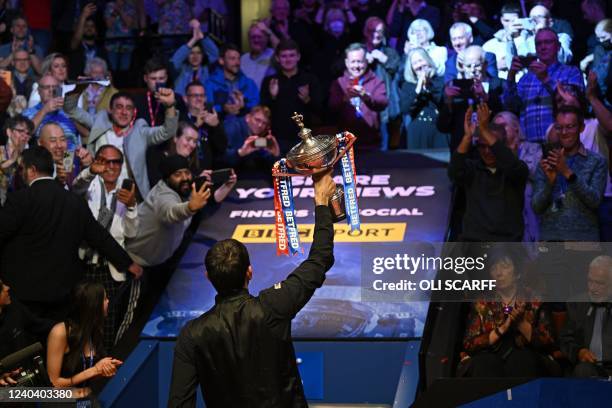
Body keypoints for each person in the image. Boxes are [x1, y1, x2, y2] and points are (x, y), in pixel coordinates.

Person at [167, 169, 336, 407]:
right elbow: (319, 260)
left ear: (208, 276)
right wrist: (321, 203)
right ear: (250, 271)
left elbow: (179, 403)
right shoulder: (273, 307)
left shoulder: (192, 335)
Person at [0, 146, 142, 323]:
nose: (20, 173)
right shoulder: (74, 201)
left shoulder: (20, 199)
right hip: (63, 290)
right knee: (59, 341)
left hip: (24, 292)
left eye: (21, 168)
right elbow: (98, 235)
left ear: (32, 170)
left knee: (27, 347)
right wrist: (127, 263)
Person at [72, 145, 140, 352]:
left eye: (116, 162)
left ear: (122, 165)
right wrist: (90, 171)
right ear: (97, 162)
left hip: (111, 270)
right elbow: (75, 187)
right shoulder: (89, 184)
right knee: (81, 324)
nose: (110, 166)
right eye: (105, 161)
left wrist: (131, 206)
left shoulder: (127, 190)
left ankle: (105, 375)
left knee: (108, 327)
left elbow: (131, 233)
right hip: (84, 266)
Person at [65, 89, 178, 199]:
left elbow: (167, 131)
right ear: (110, 109)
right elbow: (71, 109)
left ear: (134, 112)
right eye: (119, 107)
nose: (124, 112)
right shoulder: (99, 123)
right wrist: (79, 87)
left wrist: (170, 106)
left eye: (128, 108)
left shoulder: (140, 132)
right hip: (96, 192)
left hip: (127, 195)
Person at [460, 251, 555, 377]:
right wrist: (501, 329)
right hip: (489, 358)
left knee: (522, 359)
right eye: (494, 268)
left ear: (517, 272)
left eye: (505, 267)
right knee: (485, 363)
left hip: (527, 358)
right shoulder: (482, 302)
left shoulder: (534, 299)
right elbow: (469, 344)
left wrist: (521, 323)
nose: (499, 273)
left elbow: (548, 342)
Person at [449, 103, 528, 242]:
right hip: (473, 245)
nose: (486, 151)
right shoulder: (472, 169)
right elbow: (454, 172)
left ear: (502, 146)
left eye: (491, 146)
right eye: (481, 146)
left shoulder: (516, 169)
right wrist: (467, 137)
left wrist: (484, 129)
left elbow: (513, 166)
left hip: (506, 246)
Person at [126, 155, 217, 267]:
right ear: (167, 178)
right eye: (177, 174)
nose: (185, 178)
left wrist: (225, 187)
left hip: (159, 260)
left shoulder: (183, 190)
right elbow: (171, 213)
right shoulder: (163, 195)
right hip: (135, 262)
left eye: (187, 172)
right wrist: (189, 208)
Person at [532, 105, 607, 241]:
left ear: (581, 128)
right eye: (559, 127)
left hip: (584, 243)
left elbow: (595, 201)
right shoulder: (546, 163)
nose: (564, 132)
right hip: (550, 242)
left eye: (570, 126)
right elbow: (537, 207)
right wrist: (550, 183)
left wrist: (567, 172)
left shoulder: (597, 161)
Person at [503, 28, 583, 143]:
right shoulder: (526, 79)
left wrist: (546, 79)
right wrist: (511, 76)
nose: (543, 47)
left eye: (548, 42)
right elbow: (510, 107)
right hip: (530, 149)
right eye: (539, 43)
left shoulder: (571, 72)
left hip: (561, 143)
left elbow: (573, 104)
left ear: (558, 46)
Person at [46, 281, 123, 401]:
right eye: (104, 299)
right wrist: (94, 370)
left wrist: (102, 369)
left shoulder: (93, 330)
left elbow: (88, 372)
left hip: (85, 399)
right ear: (94, 305)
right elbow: (53, 384)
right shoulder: (60, 332)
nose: (108, 301)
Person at [260, 39, 323, 155]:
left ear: (298, 57)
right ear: (278, 58)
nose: (288, 59)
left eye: (291, 55)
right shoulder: (269, 81)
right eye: (284, 56)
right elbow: (262, 112)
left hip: (303, 140)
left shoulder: (310, 79)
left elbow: (321, 111)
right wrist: (273, 97)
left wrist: (307, 100)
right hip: (276, 139)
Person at [438, 45, 505, 153]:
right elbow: (442, 127)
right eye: (468, 66)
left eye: (477, 65)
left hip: (491, 150)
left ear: (485, 65)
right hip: (463, 152)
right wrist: (448, 103)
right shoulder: (453, 89)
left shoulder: (498, 85)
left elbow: (504, 117)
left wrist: (486, 97)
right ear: (462, 67)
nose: (473, 70)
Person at [492, 111, 542, 243]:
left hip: (529, 209)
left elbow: (535, 173)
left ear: (516, 127)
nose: (500, 130)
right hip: (504, 212)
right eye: (496, 127)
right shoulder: (492, 154)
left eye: (503, 125)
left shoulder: (533, 148)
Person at [560, 255, 612, 378]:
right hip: (590, 368)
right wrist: (579, 352)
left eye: (599, 283)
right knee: (583, 370)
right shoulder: (576, 304)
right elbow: (565, 339)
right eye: (590, 281)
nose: (592, 288)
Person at [329, 43, 388, 149]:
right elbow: (331, 107)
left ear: (366, 62)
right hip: (345, 142)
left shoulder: (376, 82)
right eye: (353, 62)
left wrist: (366, 97)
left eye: (359, 61)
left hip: (371, 140)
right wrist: (344, 99)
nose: (356, 66)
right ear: (346, 63)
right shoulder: (339, 83)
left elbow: (383, 103)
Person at [363, 17, 401, 151]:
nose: (376, 34)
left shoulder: (389, 52)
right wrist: (364, 62)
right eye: (372, 31)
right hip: (362, 105)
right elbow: (341, 67)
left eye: (380, 31)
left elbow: (399, 70)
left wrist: (384, 59)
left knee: (384, 146)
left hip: (383, 104)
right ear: (366, 32)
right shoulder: (359, 51)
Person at [175, 81, 227, 171]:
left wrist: (216, 126)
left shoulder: (212, 118)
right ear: (185, 98)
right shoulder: (179, 119)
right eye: (195, 96)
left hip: (209, 171)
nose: (199, 99)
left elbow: (222, 148)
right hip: (186, 171)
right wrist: (196, 125)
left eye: (202, 96)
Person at [400, 47, 446, 149]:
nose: (419, 65)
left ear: (428, 61)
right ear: (411, 68)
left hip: (438, 128)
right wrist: (418, 88)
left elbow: (443, 102)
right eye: (415, 63)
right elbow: (405, 109)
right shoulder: (408, 86)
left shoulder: (439, 81)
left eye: (421, 60)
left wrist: (429, 84)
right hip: (418, 130)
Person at [23, 74, 79, 151]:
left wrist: (70, 113)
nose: (51, 90)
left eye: (55, 87)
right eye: (46, 87)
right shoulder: (28, 113)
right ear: (39, 91)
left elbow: (86, 134)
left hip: (69, 156)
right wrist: (44, 110)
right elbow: (24, 134)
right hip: (45, 158)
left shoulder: (68, 110)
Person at [204, 44, 259, 121]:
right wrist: (223, 108)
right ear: (221, 61)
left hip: (244, 128)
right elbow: (207, 107)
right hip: (219, 128)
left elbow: (257, 107)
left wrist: (244, 106)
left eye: (238, 59)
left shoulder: (249, 83)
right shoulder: (210, 83)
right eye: (232, 59)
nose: (237, 63)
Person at [222, 105, 281, 177]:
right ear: (247, 117)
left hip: (247, 176)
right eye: (257, 120)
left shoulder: (261, 134)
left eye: (264, 123)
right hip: (228, 177)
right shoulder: (231, 128)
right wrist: (239, 153)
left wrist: (276, 155)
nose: (260, 125)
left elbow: (264, 161)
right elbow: (221, 159)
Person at [170, 21, 219, 97]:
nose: (195, 56)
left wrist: (202, 38)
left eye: (198, 53)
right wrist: (193, 40)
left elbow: (215, 54)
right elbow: (175, 60)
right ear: (187, 55)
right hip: (182, 106)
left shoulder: (207, 70)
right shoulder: (181, 70)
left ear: (203, 55)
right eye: (191, 53)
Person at [37, 122, 92, 189]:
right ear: (40, 143)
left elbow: (77, 190)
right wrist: (59, 181)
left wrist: (87, 167)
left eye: (63, 139)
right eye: (53, 140)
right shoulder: (34, 165)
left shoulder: (69, 158)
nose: (59, 145)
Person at [68, 3, 108, 79]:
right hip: (78, 85)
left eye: (92, 26)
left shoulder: (101, 50)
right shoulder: (77, 47)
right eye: (86, 26)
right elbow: (76, 38)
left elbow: (107, 72)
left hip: (97, 86)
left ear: (96, 31)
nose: (89, 28)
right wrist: (83, 16)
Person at [0, 115, 34, 204]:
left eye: (28, 133)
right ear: (9, 132)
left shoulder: (29, 159)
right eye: (20, 131)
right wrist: (12, 160)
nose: (25, 136)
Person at [104, 0, 140, 72]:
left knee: (125, 71)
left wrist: (120, 10)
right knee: (112, 70)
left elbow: (128, 24)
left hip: (127, 44)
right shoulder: (109, 6)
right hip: (112, 44)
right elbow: (108, 25)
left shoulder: (130, 6)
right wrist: (115, 11)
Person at [241, 22, 275, 91]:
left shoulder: (272, 54)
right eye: (253, 37)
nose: (256, 40)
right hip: (246, 100)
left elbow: (285, 49)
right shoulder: (243, 58)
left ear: (267, 38)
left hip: (266, 99)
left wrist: (269, 32)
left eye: (260, 37)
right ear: (249, 39)